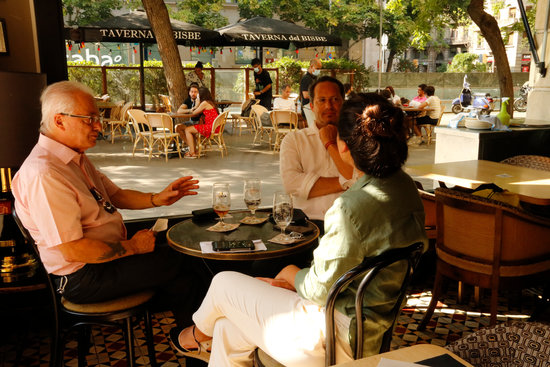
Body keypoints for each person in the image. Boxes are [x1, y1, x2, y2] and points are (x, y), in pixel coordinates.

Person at [169, 93, 428, 366]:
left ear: (344, 147)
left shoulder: (350, 207)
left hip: (334, 337)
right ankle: (206, 337)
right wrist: (288, 284)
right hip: (372, 328)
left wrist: (290, 275)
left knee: (222, 283)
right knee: (228, 328)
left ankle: (193, 337)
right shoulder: (406, 187)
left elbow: (318, 289)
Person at [12, 81, 207, 328]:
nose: (99, 126)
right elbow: (73, 250)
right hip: (82, 275)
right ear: (59, 121)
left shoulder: (73, 157)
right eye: (89, 119)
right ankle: (202, 342)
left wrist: (158, 198)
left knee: (185, 271)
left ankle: (194, 345)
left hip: (103, 261)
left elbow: (115, 195)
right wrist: (133, 247)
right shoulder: (45, 174)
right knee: (187, 259)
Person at [279, 76, 353, 228]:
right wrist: (348, 181)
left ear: (343, 104)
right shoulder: (294, 139)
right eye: (322, 100)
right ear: (312, 106)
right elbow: (291, 183)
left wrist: (330, 143)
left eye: (334, 99)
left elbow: (365, 181)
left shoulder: (356, 138)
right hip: (305, 226)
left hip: (348, 224)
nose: (329, 106)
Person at [176, 87, 219, 159]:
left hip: (210, 127)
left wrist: (197, 103)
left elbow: (194, 113)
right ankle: (193, 150)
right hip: (214, 126)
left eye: (198, 94)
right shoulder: (210, 102)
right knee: (188, 129)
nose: (196, 95)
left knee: (187, 130)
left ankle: (192, 152)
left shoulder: (204, 103)